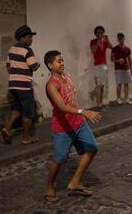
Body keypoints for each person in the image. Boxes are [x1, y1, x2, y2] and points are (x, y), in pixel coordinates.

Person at [43, 50, 101, 202]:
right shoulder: (51, 85)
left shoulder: (67, 76)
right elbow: (61, 107)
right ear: (50, 65)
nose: (62, 63)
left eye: (62, 60)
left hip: (78, 124)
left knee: (92, 148)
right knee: (59, 160)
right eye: (58, 61)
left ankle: (75, 182)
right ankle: (49, 187)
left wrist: (80, 114)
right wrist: (83, 111)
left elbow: (71, 96)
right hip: (63, 128)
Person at [1, 25, 40, 145]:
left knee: (18, 108)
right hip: (24, 85)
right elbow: (34, 66)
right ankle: (26, 137)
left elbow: (8, 66)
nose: (31, 39)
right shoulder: (27, 50)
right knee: (28, 112)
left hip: (13, 84)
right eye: (29, 37)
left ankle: (6, 129)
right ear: (22, 38)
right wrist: (38, 64)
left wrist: (15, 75)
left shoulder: (12, 49)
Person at [90, 26, 113, 110]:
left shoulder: (104, 42)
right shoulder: (93, 41)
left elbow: (112, 48)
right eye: (98, 32)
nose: (100, 34)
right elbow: (93, 50)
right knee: (99, 85)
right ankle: (98, 104)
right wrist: (98, 40)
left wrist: (107, 40)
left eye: (101, 32)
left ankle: (100, 101)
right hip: (98, 65)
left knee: (102, 86)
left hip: (104, 65)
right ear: (95, 34)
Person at [111, 33, 132, 105]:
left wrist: (131, 69)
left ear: (124, 39)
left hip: (126, 68)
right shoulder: (114, 49)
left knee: (126, 84)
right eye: (119, 39)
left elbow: (129, 59)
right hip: (118, 68)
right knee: (119, 84)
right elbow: (111, 59)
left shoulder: (128, 49)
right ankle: (118, 99)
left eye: (122, 38)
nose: (121, 40)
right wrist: (117, 61)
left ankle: (126, 99)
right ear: (117, 40)